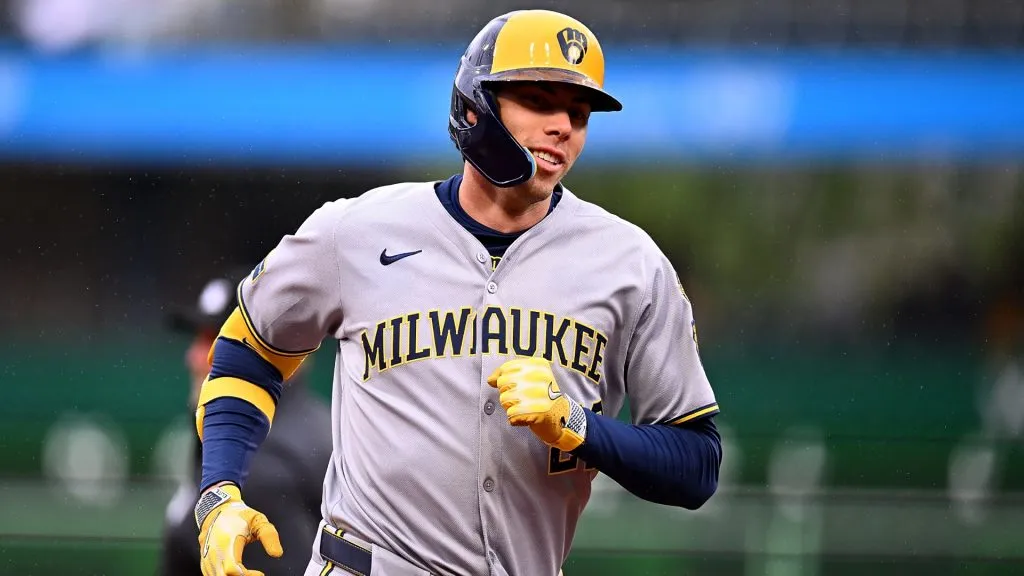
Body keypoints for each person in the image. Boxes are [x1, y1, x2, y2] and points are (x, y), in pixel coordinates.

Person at [191, 9, 723, 576]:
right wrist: (218, 494)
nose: (563, 126)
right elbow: (248, 352)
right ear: (476, 106)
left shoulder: (631, 264)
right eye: (540, 101)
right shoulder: (356, 231)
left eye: (578, 112)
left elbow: (696, 464)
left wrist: (581, 427)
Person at [157, 269, 332, 576]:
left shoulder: (255, 468)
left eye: (217, 342)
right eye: (199, 340)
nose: (194, 358)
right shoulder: (318, 424)